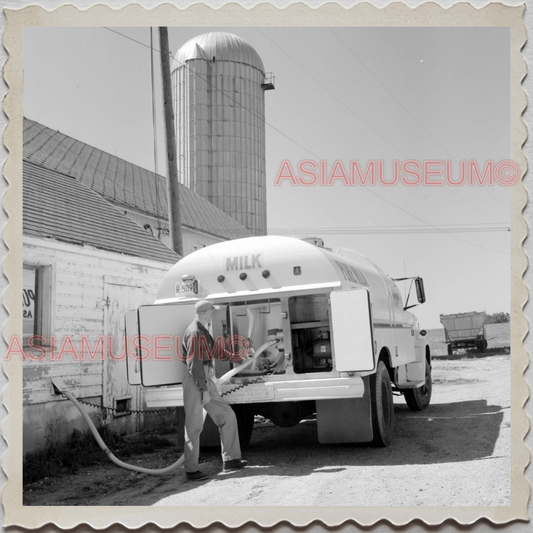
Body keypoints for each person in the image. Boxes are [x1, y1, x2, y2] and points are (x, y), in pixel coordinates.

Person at [181, 299, 247, 481]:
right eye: (210, 312)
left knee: (227, 416)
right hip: (197, 380)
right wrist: (203, 390)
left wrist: (239, 356)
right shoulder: (195, 333)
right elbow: (194, 365)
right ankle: (191, 470)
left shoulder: (203, 331)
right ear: (203, 313)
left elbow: (216, 352)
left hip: (204, 379)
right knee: (194, 426)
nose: (212, 315)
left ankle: (231, 459)